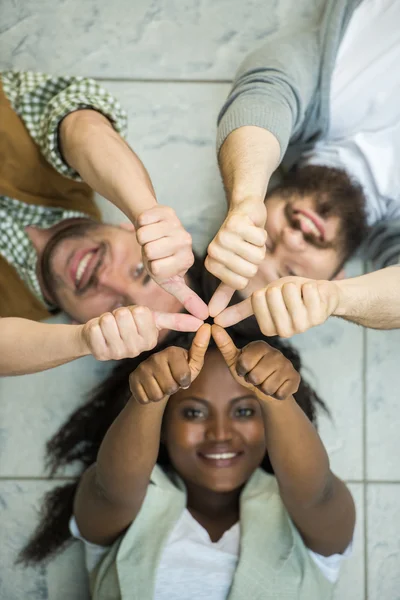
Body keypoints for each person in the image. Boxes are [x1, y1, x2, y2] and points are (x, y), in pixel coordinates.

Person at [20, 325, 355, 599]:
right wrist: (149, 397)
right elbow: (112, 490)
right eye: (193, 412)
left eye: (244, 411)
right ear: (162, 427)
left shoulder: (304, 516)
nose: (220, 433)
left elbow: (317, 492)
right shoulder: (130, 508)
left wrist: (276, 397)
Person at [206, 0, 400, 334]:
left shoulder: (307, 103)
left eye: (263, 244)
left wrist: (244, 200)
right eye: (289, 273)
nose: (293, 239)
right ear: (336, 276)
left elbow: (264, 95)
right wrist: (333, 299)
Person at [0, 70, 207, 375]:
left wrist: (85, 340)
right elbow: (82, 126)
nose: (107, 278)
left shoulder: (13, 320)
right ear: (132, 231)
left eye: (119, 310)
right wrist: (147, 213)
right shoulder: (68, 163)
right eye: (139, 271)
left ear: (80, 323)